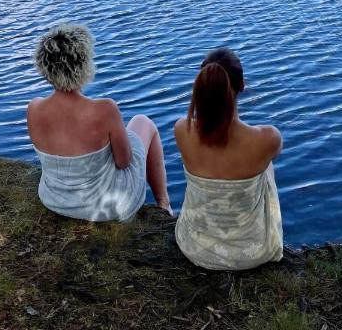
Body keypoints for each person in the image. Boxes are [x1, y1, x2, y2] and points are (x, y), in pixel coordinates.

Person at [27, 23, 171, 222]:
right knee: (142, 122)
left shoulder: (34, 108)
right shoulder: (104, 109)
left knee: (122, 135)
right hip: (106, 207)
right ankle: (163, 204)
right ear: (84, 64)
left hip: (55, 200)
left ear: (45, 67)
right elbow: (124, 162)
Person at [174, 47, 283, 270]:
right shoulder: (267, 138)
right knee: (266, 164)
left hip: (194, 247)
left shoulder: (181, 130)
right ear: (242, 86)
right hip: (253, 254)